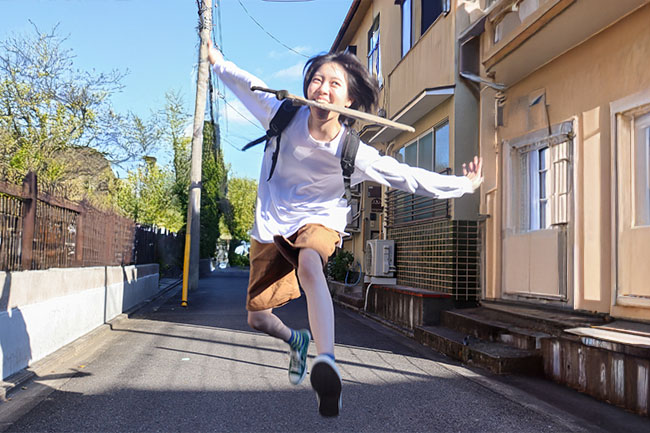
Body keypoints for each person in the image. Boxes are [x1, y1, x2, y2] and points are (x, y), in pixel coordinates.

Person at [206, 40, 483, 417]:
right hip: (272, 223)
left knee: (309, 266)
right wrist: (217, 60)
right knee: (257, 318)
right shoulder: (281, 114)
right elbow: (244, 82)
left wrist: (464, 185)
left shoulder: (353, 151)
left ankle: (327, 362)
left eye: (334, 83)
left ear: (349, 99)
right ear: (307, 88)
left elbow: (408, 177)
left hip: (321, 219)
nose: (323, 88)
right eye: (317, 80)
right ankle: (296, 340)